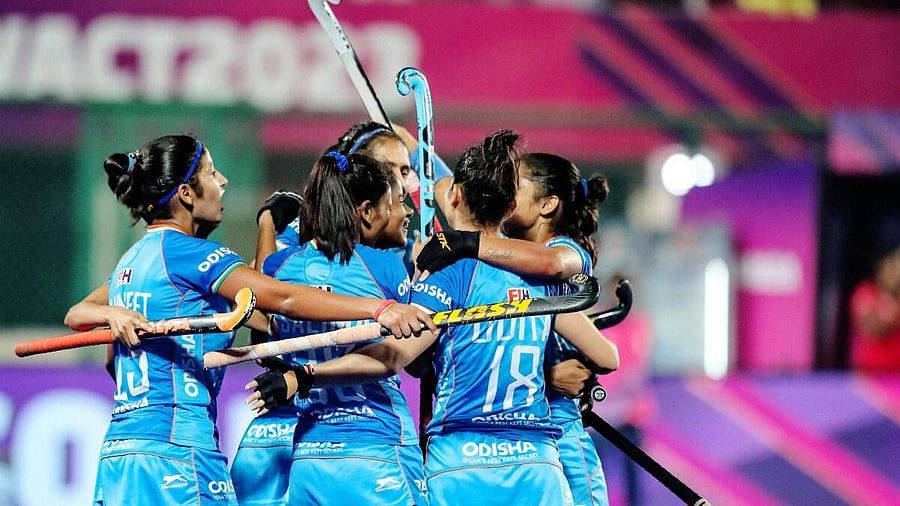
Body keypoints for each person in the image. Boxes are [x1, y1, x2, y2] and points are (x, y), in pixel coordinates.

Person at [246, 130, 619, 506]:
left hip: (456, 464)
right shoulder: (543, 273)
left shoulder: (445, 273)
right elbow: (607, 358)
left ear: (454, 196)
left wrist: (305, 375)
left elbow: (400, 358)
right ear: (509, 209)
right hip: (536, 464)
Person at [63, 134, 436, 506]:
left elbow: (84, 322)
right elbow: (281, 298)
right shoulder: (196, 256)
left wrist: (110, 313)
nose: (222, 181)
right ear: (186, 194)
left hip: (119, 452)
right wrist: (378, 308)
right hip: (179, 451)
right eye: (211, 173)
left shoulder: (132, 261)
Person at [416, 152, 614, 506]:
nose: (505, 191)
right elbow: (458, 194)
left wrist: (466, 243)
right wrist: (413, 146)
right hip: (518, 439)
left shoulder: (562, 252)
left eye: (515, 184)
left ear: (548, 204)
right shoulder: (500, 251)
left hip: (559, 428)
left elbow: (550, 265)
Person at [231, 152, 427, 505]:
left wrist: (266, 225)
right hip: (378, 447)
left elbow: (261, 309)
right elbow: (410, 360)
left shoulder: (281, 266)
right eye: (389, 203)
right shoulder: (385, 268)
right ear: (366, 212)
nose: (395, 212)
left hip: (311, 457)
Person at [849, 246, 900, 372]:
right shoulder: (866, 292)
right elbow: (872, 329)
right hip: (870, 375)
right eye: (893, 266)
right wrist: (891, 299)